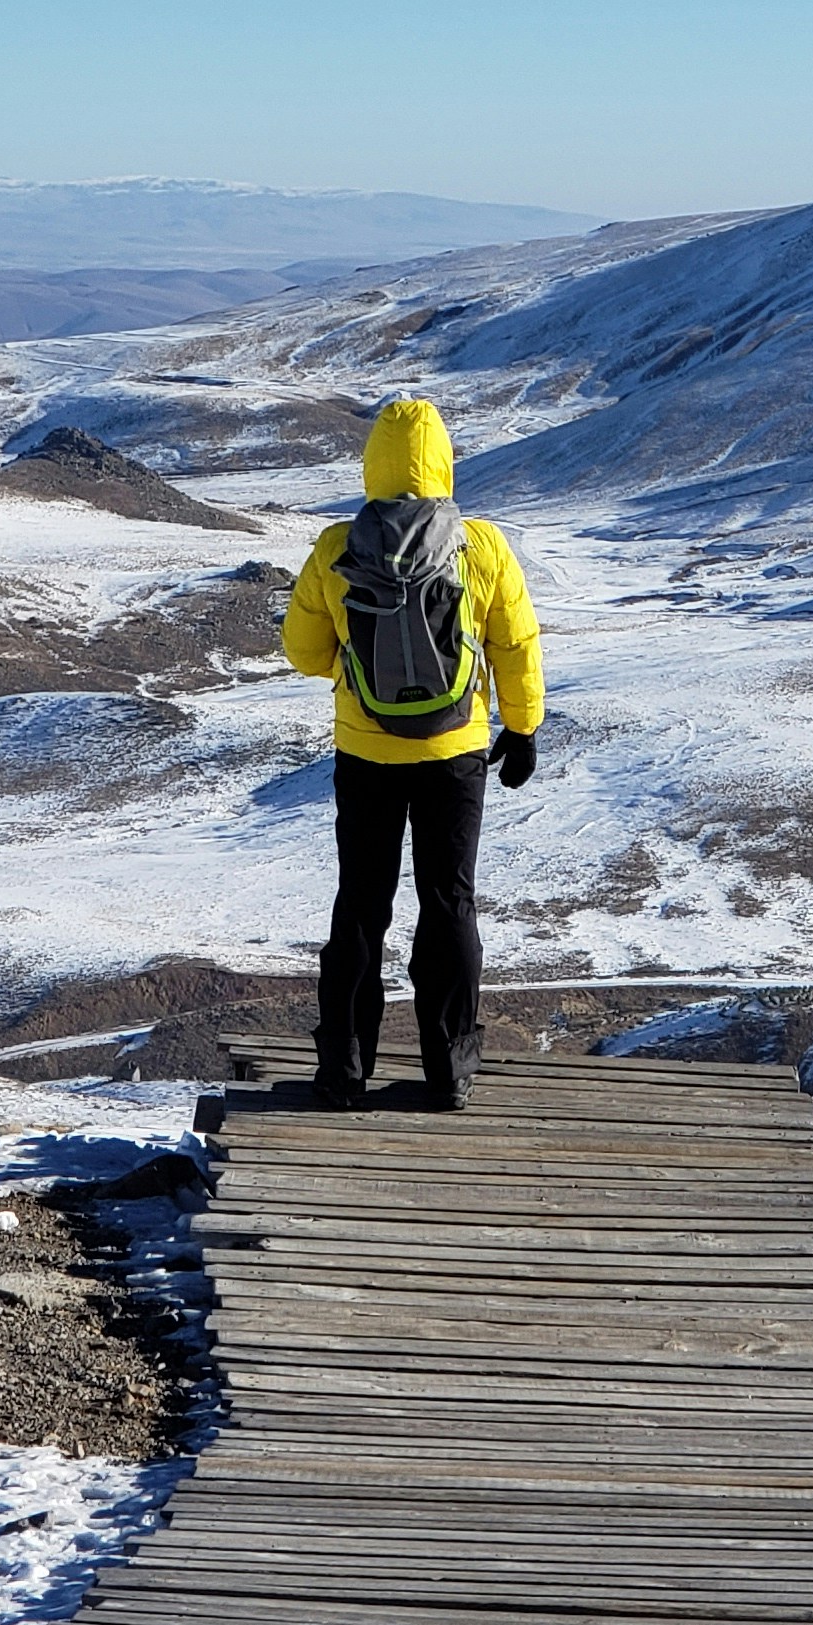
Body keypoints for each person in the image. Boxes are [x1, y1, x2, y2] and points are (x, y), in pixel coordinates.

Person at [282, 393, 542, 1108]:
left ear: (372, 463)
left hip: (365, 754)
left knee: (362, 907)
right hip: (453, 753)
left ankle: (343, 1069)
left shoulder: (338, 547)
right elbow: (514, 645)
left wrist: (352, 662)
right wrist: (520, 730)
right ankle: (450, 1069)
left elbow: (302, 652)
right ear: (444, 462)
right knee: (448, 903)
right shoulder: (481, 547)